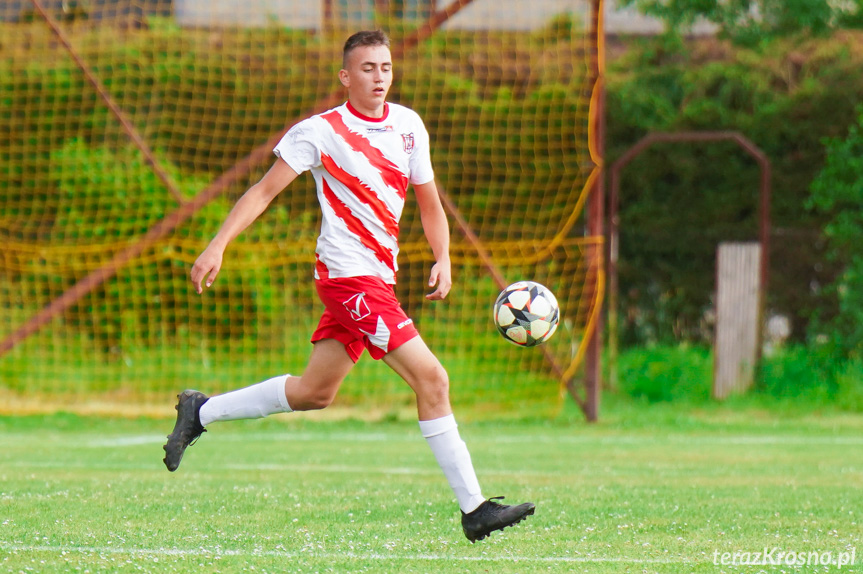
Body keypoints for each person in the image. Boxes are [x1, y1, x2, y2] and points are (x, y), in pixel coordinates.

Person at [162, 30, 535, 543]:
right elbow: (263, 191)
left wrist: (444, 257)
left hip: (379, 279)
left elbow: (429, 203)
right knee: (434, 379)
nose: (379, 77)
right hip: (347, 278)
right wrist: (218, 243)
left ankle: (200, 411)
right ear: (345, 76)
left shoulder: (408, 126)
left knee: (315, 393)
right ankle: (475, 509)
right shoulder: (320, 131)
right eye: (367, 68)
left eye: (385, 67)